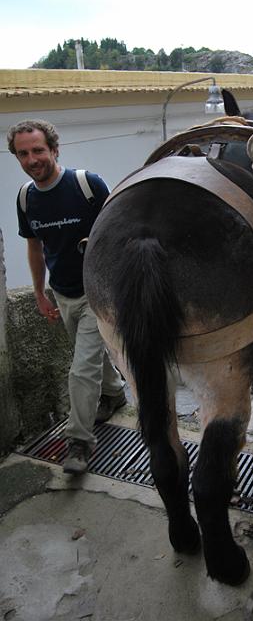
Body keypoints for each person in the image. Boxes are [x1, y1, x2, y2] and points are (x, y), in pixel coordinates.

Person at [7, 119, 126, 474]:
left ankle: (78, 441)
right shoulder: (27, 198)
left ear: (54, 150)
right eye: (23, 153)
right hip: (62, 293)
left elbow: (118, 233)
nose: (32, 159)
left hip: (97, 292)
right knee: (90, 357)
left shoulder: (87, 185)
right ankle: (115, 393)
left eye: (38, 150)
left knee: (81, 368)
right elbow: (35, 248)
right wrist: (40, 293)